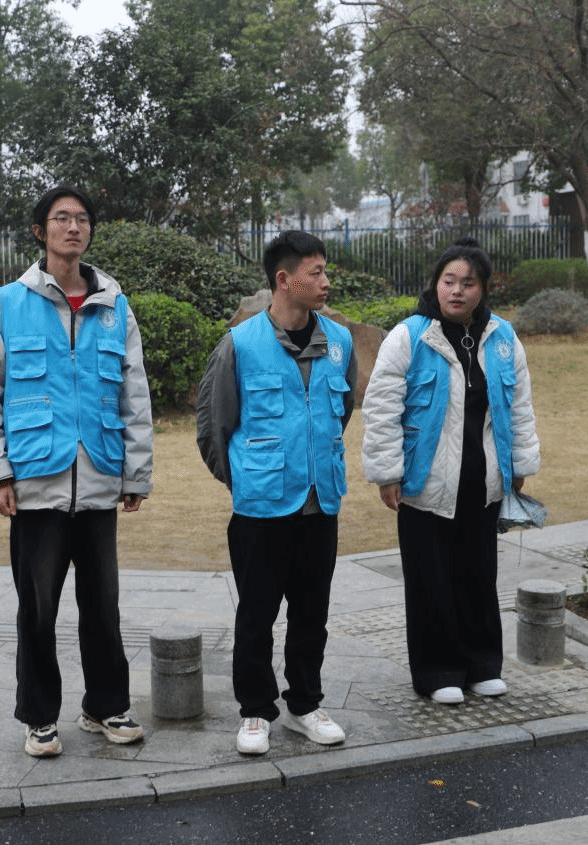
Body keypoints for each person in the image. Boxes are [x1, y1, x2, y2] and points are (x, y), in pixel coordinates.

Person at [0, 184, 154, 757]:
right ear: (40, 231)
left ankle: (106, 706)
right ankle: (40, 716)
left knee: (103, 608)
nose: (74, 227)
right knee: (38, 611)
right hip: (36, 485)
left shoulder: (115, 306)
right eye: (61, 218)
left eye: (82, 219)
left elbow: (134, 395)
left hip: (97, 479)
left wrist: (136, 473)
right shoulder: (7, 303)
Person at [196, 230, 357, 755]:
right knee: (256, 615)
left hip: (320, 503)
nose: (326, 282)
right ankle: (255, 711)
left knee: (312, 615)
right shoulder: (240, 344)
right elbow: (214, 427)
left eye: (325, 271)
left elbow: (340, 412)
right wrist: (247, 479)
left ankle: (305, 705)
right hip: (260, 508)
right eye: (316, 273)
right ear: (284, 280)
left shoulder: (340, 341)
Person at [361, 238, 540, 706]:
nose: (457, 291)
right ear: (436, 283)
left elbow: (519, 406)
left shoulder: (502, 337)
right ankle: (437, 671)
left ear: (483, 289)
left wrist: (519, 466)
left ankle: (483, 665)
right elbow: (381, 409)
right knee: (431, 580)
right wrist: (387, 472)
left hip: (482, 483)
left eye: (468, 283)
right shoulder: (410, 336)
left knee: (478, 575)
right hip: (426, 483)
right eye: (449, 281)